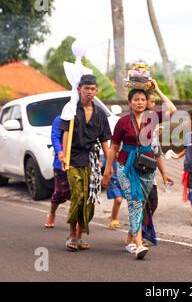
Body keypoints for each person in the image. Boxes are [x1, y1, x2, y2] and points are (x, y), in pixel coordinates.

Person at [102, 80, 176, 259]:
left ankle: (129, 240)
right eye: (136, 99)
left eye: (142, 99)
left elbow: (173, 110)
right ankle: (139, 244)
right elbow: (113, 147)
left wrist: (157, 89)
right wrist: (107, 170)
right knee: (135, 201)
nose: (140, 102)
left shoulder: (153, 117)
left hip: (147, 166)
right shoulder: (122, 122)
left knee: (141, 203)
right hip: (125, 166)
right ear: (129, 103)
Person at [59, 74, 112, 252]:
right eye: (86, 89)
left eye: (92, 89)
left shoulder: (101, 114)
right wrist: (64, 155)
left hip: (91, 161)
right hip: (73, 159)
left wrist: (108, 165)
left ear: (96, 91)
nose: (89, 92)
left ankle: (80, 237)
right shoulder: (71, 110)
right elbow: (65, 133)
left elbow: (105, 141)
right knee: (78, 196)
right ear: (79, 89)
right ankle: (72, 234)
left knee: (89, 200)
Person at [142, 92, 174, 246]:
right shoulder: (134, 121)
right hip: (135, 170)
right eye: (151, 101)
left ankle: (139, 231)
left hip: (149, 170)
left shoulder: (153, 122)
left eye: (155, 102)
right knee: (141, 203)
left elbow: (157, 153)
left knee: (153, 202)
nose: (153, 104)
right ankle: (137, 236)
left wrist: (158, 90)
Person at [44, 115, 71, 228]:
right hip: (61, 163)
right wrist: (60, 152)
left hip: (79, 160)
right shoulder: (60, 119)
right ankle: (52, 213)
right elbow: (55, 137)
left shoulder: (85, 118)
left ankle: (74, 222)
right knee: (59, 192)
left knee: (78, 194)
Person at [101, 156, 123, 230]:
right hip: (113, 181)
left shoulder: (125, 156)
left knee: (118, 201)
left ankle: (113, 217)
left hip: (123, 181)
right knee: (118, 199)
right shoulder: (110, 156)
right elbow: (102, 163)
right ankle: (114, 219)